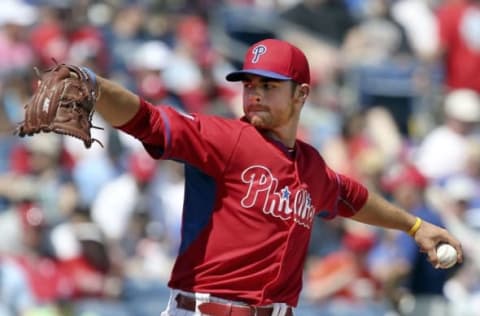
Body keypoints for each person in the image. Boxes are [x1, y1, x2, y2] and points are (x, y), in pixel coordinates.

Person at [74, 38, 462, 315]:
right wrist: (94, 87)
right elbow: (150, 121)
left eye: (269, 85)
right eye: (249, 85)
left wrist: (413, 226)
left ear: (301, 94)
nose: (255, 93)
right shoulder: (225, 138)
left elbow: (350, 197)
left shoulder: (311, 166)